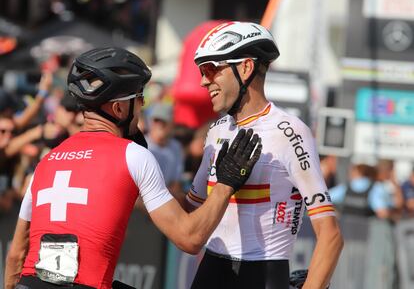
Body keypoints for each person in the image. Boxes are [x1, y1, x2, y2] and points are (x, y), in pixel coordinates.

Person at [4, 47, 262, 289]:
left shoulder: (47, 162)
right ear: (119, 108)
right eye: (140, 98)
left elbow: (16, 254)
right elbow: (190, 238)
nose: (143, 106)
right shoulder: (133, 155)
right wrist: (226, 185)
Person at [186, 21, 343, 289]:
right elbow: (190, 211)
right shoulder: (216, 131)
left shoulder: (290, 131)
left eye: (212, 69)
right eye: (202, 71)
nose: (203, 81)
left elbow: (331, 236)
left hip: (262, 273)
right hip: (210, 270)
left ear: (245, 68)